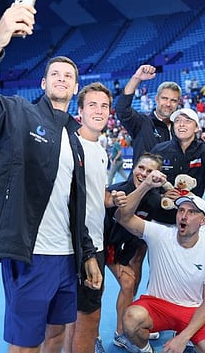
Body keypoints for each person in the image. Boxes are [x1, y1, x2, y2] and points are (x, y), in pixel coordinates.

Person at [0, 3, 102, 353]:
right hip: (32, 256)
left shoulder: (76, 138)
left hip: (67, 258)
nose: (62, 79)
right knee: (25, 344)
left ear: (75, 88)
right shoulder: (18, 114)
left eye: (68, 76)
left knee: (56, 336)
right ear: (43, 82)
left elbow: (75, 205)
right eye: (55, 74)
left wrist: (86, 254)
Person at [112, 170, 205, 353]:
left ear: (203, 221)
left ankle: (185, 334)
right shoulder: (159, 234)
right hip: (157, 305)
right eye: (181, 211)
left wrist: (182, 339)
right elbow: (123, 217)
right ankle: (146, 350)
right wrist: (146, 185)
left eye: (192, 212)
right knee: (130, 319)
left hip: (192, 310)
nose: (184, 216)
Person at [64, 82, 113, 353]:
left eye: (104, 105)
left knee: (77, 311)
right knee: (88, 315)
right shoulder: (72, 147)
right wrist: (87, 252)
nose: (99, 110)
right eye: (92, 105)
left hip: (96, 241)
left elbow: (93, 195)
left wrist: (110, 198)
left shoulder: (100, 149)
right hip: (82, 247)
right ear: (79, 110)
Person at [104, 152, 166, 347]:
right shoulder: (116, 192)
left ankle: (123, 331)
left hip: (123, 248)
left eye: (150, 171)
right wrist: (119, 262)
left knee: (131, 282)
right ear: (133, 168)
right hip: (99, 245)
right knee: (110, 287)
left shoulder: (155, 200)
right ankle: (108, 335)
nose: (144, 174)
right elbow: (115, 224)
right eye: (141, 168)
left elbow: (139, 234)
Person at [150, 107, 205, 224]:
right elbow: (146, 182)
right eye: (177, 121)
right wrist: (161, 195)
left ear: (196, 128)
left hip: (192, 221)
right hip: (161, 218)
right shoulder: (159, 149)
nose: (181, 124)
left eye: (187, 121)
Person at [115, 64, 182, 166]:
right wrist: (136, 79)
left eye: (173, 100)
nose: (168, 104)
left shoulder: (180, 129)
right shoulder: (141, 122)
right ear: (156, 99)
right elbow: (122, 109)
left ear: (178, 103)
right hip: (143, 181)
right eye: (164, 98)